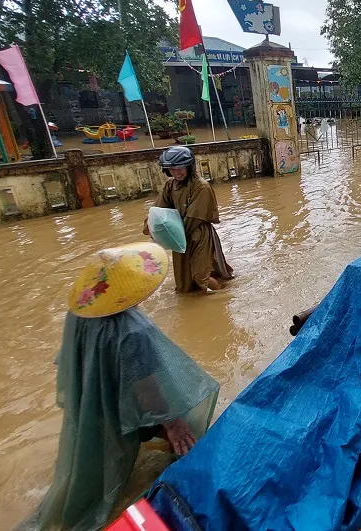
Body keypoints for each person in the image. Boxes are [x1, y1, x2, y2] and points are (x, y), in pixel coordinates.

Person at [34, 243, 220, 531]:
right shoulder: (135, 332)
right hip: (118, 401)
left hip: (90, 398)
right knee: (112, 480)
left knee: (89, 468)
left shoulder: (81, 313)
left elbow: (68, 359)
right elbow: (147, 388)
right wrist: (174, 424)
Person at [144, 146, 234, 292]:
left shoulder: (202, 187)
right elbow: (158, 211)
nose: (176, 173)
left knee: (200, 276)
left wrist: (170, 237)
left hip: (198, 234)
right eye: (172, 169)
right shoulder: (170, 185)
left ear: (189, 166)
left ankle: (223, 296)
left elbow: (194, 217)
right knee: (184, 281)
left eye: (180, 168)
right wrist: (152, 228)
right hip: (177, 234)